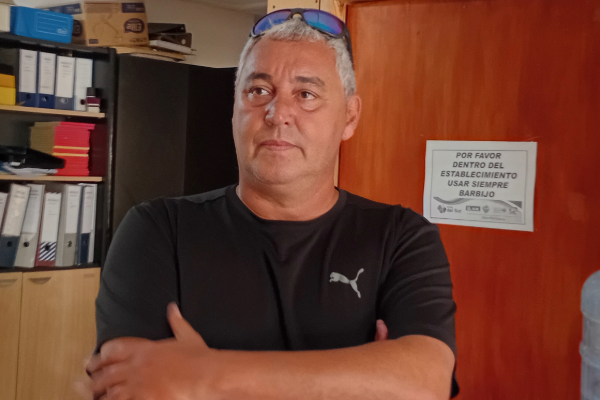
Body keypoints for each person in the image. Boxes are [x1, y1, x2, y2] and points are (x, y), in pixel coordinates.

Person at [86, 9, 459, 400]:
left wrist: (205, 373)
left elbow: (423, 383)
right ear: (234, 107)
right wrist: (364, 378)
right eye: (258, 91)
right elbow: (130, 387)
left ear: (350, 117)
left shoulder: (402, 237)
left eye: (306, 94)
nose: (277, 113)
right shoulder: (157, 230)